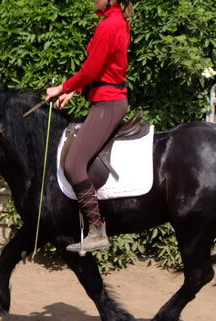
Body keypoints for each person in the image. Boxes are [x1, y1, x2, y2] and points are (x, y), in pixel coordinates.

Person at [46, 0, 133, 253]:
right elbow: (104, 71)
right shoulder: (116, 22)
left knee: (73, 164)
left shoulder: (109, 26)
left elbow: (91, 69)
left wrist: (63, 87)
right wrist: (76, 91)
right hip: (106, 100)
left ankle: (96, 230)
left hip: (108, 105)